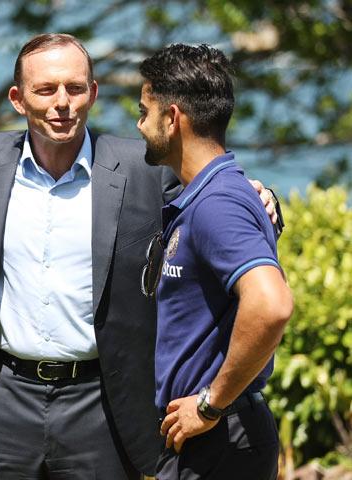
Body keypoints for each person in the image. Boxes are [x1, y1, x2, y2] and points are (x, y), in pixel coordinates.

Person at [0, 34, 279, 479]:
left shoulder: (142, 168)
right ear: (17, 99)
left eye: (75, 88)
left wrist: (266, 197)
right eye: (45, 90)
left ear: (93, 93)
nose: (62, 102)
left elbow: (215, 199)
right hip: (4, 398)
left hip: (100, 404)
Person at [136, 44, 293, 479]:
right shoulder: (211, 194)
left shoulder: (217, 203)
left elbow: (271, 304)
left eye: (144, 111)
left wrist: (210, 403)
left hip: (221, 438)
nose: (139, 124)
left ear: (172, 118)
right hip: (212, 438)